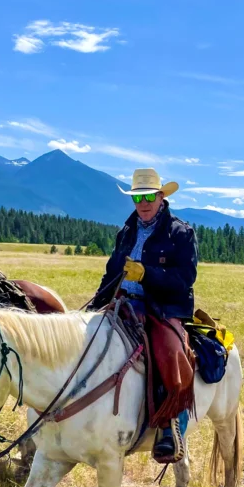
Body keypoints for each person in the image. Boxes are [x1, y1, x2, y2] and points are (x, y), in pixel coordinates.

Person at [87, 168, 196, 463]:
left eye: (149, 196)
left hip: (163, 307)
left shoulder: (180, 233)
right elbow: (112, 272)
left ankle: (168, 427)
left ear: (161, 197)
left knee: (168, 352)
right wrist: (96, 305)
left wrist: (147, 275)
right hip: (126, 302)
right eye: (137, 197)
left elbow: (184, 279)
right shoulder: (127, 231)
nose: (143, 203)